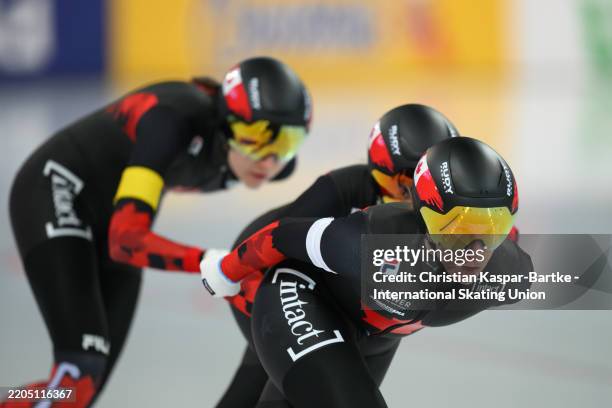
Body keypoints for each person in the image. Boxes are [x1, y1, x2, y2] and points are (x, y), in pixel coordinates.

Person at [3, 56, 311, 408]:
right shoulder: (174, 120)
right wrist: (214, 264)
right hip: (55, 190)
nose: (268, 160)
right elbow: (127, 240)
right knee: (76, 376)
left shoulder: (271, 165)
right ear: (225, 123)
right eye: (253, 137)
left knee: (83, 388)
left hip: (109, 221)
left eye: (286, 141)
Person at [202, 137, 532, 407]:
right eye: (456, 229)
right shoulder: (372, 241)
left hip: (376, 332)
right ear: (424, 215)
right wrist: (227, 271)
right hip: (303, 296)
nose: (475, 250)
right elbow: (282, 235)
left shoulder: (510, 272)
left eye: (493, 229)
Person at [212, 104, 459, 407]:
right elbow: (280, 239)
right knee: (271, 377)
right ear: (378, 171)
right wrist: (229, 272)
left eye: (428, 185)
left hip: (360, 312)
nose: (416, 197)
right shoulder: (344, 186)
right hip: (266, 273)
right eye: (406, 183)